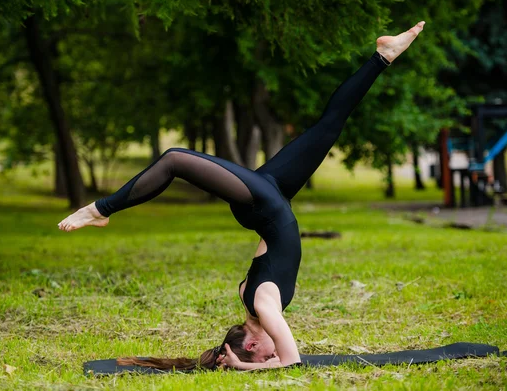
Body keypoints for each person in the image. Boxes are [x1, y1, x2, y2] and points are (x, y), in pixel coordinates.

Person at [58, 21, 425, 371]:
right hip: (272, 201)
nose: (270, 354)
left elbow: (292, 363)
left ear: (251, 345)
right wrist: (243, 362)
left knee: (173, 160)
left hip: (263, 204)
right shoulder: (247, 296)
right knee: (329, 125)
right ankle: (384, 56)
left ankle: (99, 209)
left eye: (262, 355)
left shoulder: (265, 306)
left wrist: (245, 368)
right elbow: (274, 248)